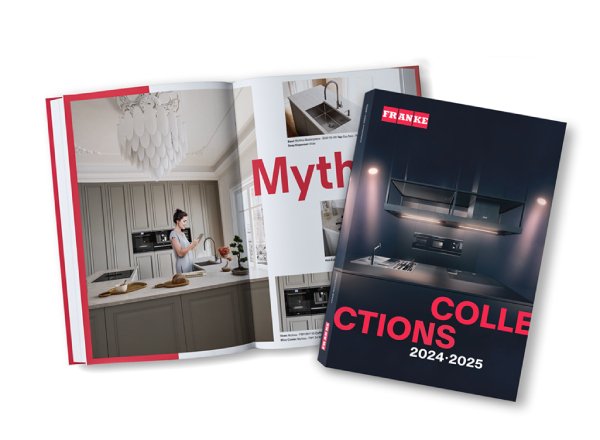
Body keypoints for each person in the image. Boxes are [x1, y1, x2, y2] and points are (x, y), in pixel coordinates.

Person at [170, 209, 200, 273]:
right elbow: (180, 253)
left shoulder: (182, 234)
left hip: (189, 265)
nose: (185, 223)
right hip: (183, 266)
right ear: (178, 221)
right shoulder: (173, 234)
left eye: (186, 221)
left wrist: (194, 245)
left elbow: (187, 249)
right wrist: (191, 245)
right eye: (184, 221)